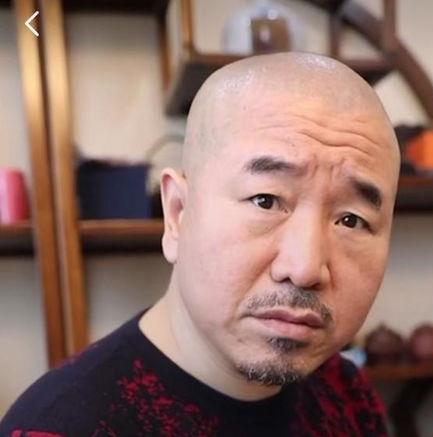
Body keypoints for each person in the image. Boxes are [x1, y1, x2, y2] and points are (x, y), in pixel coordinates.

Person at [0, 52, 400, 436]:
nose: (306, 267)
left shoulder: (345, 390)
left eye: (351, 220)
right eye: (265, 200)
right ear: (177, 213)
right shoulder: (58, 428)